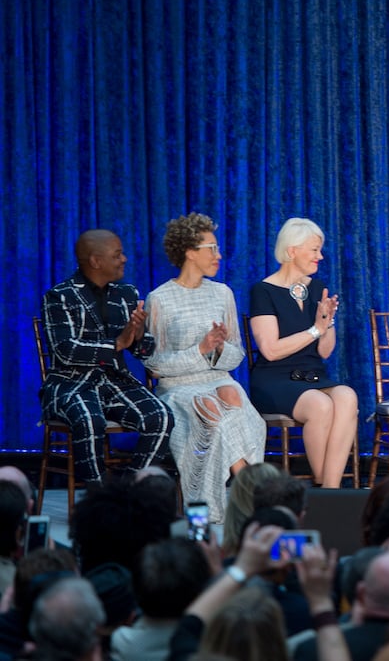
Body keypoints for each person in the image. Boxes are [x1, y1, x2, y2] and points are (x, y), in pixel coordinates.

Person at [144, 213, 266, 522]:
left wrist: (219, 347)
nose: (219, 255)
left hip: (217, 376)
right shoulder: (159, 299)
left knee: (233, 398)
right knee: (212, 410)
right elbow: (155, 364)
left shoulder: (222, 293)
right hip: (178, 387)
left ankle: (244, 493)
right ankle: (250, 495)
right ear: (189, 252)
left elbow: (236, 354)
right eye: (211, 248)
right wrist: (200, 349)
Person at [39, 229, 173, 486]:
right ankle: (99, 497)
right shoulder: (59, 296)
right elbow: (66, 350)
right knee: (90, 420)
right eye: (117, 254)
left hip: (114, 381)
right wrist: (117, 343)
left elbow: (142, 352)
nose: (124, 259)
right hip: (70, 383)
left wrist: (139, 333)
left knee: (161, 416)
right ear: (95, 261)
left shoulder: (127, 294)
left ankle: (128, 490)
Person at [249, 218, 358, 488]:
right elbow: (271, 351)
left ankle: (329, 491)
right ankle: (326, 486)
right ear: (292, 251)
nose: (320, 256)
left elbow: (324, 351)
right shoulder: (262, 291)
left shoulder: (316, 287)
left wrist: (328, 321)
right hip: (274, 379)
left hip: (311, 376)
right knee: (321, 405)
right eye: (314, 250)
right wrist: (315, 329)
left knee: (346, 396)